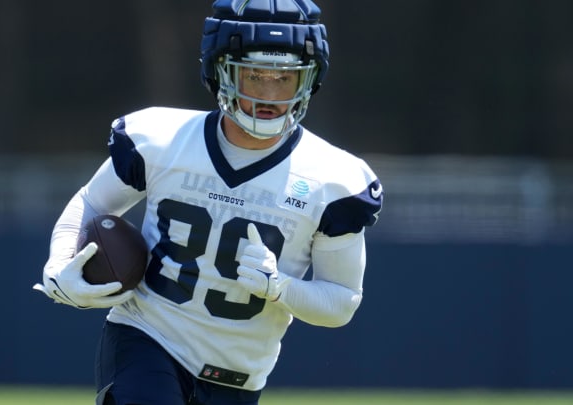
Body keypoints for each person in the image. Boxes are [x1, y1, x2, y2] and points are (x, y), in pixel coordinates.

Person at [34, 0, 383, 404]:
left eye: (285, 78)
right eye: (254, 76)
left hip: (238, 375)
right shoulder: (161, 140)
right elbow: (92, 203)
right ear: (220, 71)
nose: (269, 94)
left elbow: (341, 302)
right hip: (148, 336)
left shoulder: (334, 180)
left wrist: (281, 288)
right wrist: (59, 263)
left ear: (309, 81)